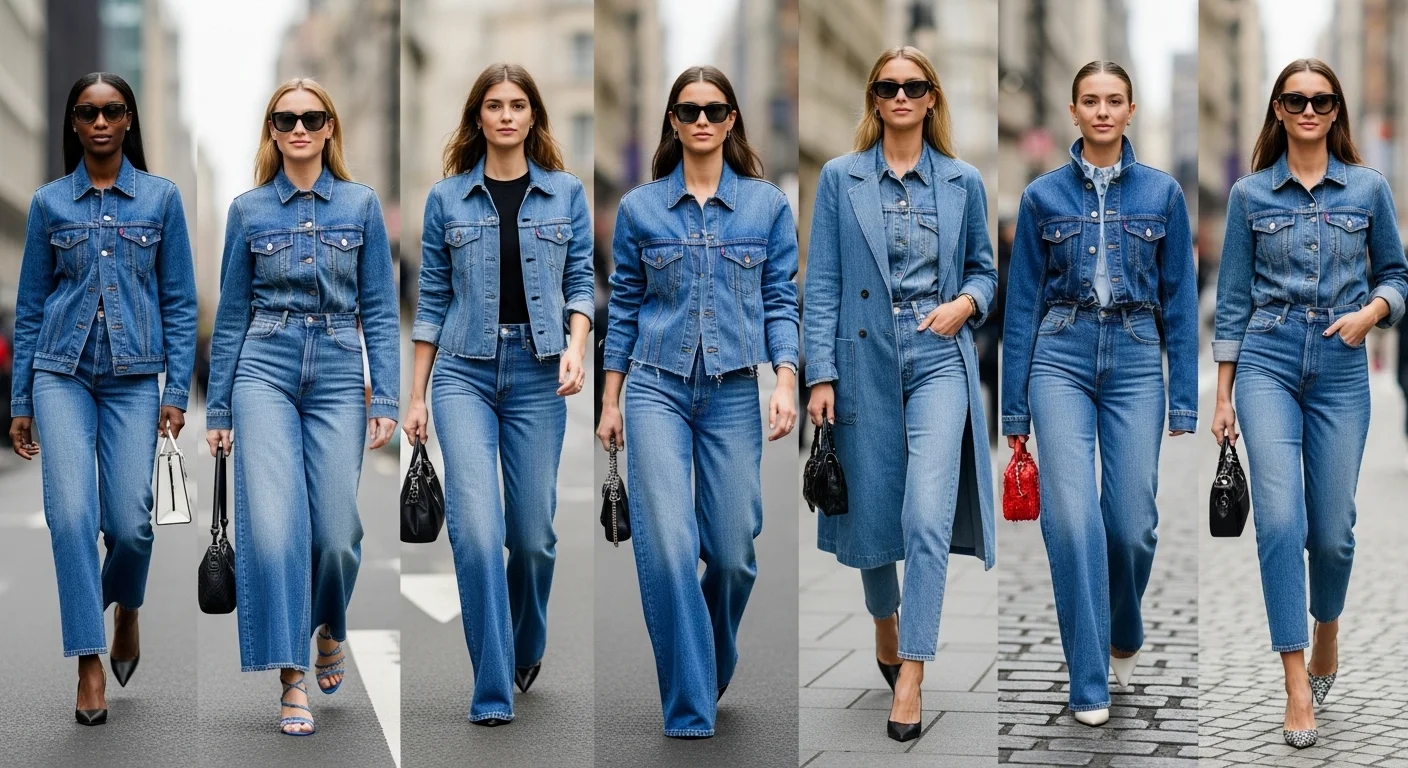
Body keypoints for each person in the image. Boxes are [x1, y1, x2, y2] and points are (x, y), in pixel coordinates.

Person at [596, 65, 799, 738]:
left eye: (714, 109)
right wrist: (610, 400)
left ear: (732, 118)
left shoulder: (767, 207)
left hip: (733, 389)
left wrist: (786, 380)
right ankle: (689, 704)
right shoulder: (641, 209)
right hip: (655, 386)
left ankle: (711, 653)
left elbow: (781, 301)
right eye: (689, 110)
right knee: (669, 547)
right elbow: (625, 306)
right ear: (674, 121)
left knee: (734, 552)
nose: (702, 119)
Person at [1211, 58, 1408, 749]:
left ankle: (1328, 628)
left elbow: (1397, 275)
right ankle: (1296, 684)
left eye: (1321, 100)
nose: (1308, 111)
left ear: (1336, 110)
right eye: (1295, 100)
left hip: (1341, 365)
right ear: (1278, 109)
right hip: (1266, 359)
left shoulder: (1369, 187)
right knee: (1278, 521)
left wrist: (1371, 314)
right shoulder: (1249, 195)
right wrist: (1223, 394)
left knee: (1332, 532)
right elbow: (1232, 300)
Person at [803, 46, 997, 742]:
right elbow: (822, 282)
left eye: (914, 86)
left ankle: (912, 670)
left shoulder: (964, 181)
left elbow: (984, 271)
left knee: (925, 515)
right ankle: (884, 620)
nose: (902, 96)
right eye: (889, 87)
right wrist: (819, 374)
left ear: (932, 97)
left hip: (938, 355)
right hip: (862, 358)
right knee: (873, 513)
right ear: (875, 99)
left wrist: (964, 305)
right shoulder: (840, 177)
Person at [1002, 61, 1198, 727]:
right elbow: (1021, 308)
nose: (1103, 111)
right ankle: (1088, 681)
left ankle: (1124, 622)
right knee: (1072, 521)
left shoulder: (1164, 194)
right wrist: (1014, 410)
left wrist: (1185, 398)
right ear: (1074, 110)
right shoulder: (1041, 197)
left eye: (1115, 100)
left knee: (1132, 525)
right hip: (1059, 353)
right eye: (1091, 100)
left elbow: (1180, 299)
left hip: (1137, 358)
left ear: (1131, 109)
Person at [205, 78, 399, 736]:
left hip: (339, 371)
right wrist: (218, 411)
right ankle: (292, 678)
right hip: (264, 366)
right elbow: (231, 316)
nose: (299, 128)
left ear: (329, 128)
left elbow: (380, 309)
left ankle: (331, 625)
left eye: (312, 118)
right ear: (272, 130)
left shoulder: (361, 205)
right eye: (285, 119)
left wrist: (386, 395)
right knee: (275, 531)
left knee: (337, 536)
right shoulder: (248, 210)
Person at [403, 63, 593, 725]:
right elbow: (431, 301)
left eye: (517, 104)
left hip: (539, 373)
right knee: (478, 534)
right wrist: (417, 395)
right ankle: (491, 689)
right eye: (493, 105)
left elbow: (580, 281)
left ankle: (527, 638)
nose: (506, 115)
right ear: (477, 117)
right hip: (464, 372)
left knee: (533, 537)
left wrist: (575, 346)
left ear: (533, 115)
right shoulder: (446, 199)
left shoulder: (566, 193)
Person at [10, 71, 196, 726]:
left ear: (128, 120)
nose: (99, 121)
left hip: (132, 379)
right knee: (70, 519)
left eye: (112, 110)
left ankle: (128, 608)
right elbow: (30, 308)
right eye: (88, 112)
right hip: (60, 374)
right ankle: (89, 662)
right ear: (74, 122)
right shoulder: (48, 204)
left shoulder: (161, 199)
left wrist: (177, 389)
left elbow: (179, 302)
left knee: (131, 525)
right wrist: (21, 400)